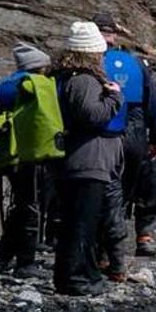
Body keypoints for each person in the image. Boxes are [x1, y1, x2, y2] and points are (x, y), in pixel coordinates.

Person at [49, 21, 125, 297]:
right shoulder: (83, 80)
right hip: (86, 161)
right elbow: (92, 116)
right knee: (82, 223)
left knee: (75, 222)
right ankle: (77, 278)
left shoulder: (64, 77)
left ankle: (78, 275)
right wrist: (115, 98)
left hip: (73, 160)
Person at [98, 13, 156, 259]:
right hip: (135, 134)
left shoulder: (87, 62)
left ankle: (104, 252)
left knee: (103, 192)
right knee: (124, 193)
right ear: (114, 35)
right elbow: (154, 103)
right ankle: (115, 252)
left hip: (102, 132)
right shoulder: (135, 64)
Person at [0, 43, 56, 277]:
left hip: (10, 150)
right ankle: (25, 263)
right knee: (31, 205)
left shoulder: (7, 84)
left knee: (19, 205)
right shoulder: (34, 85)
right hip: (30, 151)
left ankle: (4, 258)